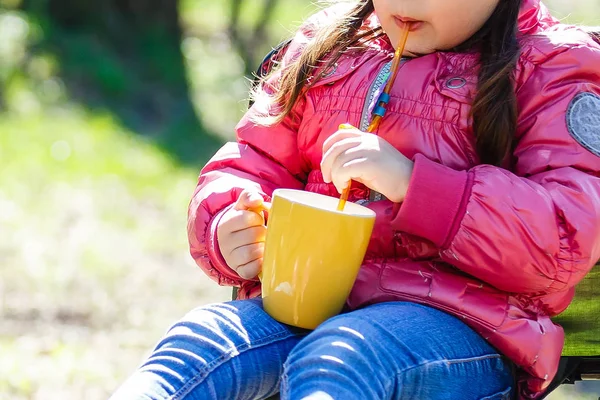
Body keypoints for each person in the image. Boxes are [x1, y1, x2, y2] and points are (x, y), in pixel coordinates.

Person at [111, 0, 600, 399]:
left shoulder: (552, 67)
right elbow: (251, 157)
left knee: (340, 360)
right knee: (199, 345)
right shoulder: (334, 44)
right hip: (304, 305)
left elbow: (563, 240)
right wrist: (228, 222)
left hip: (462, 328)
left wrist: (416, 184)